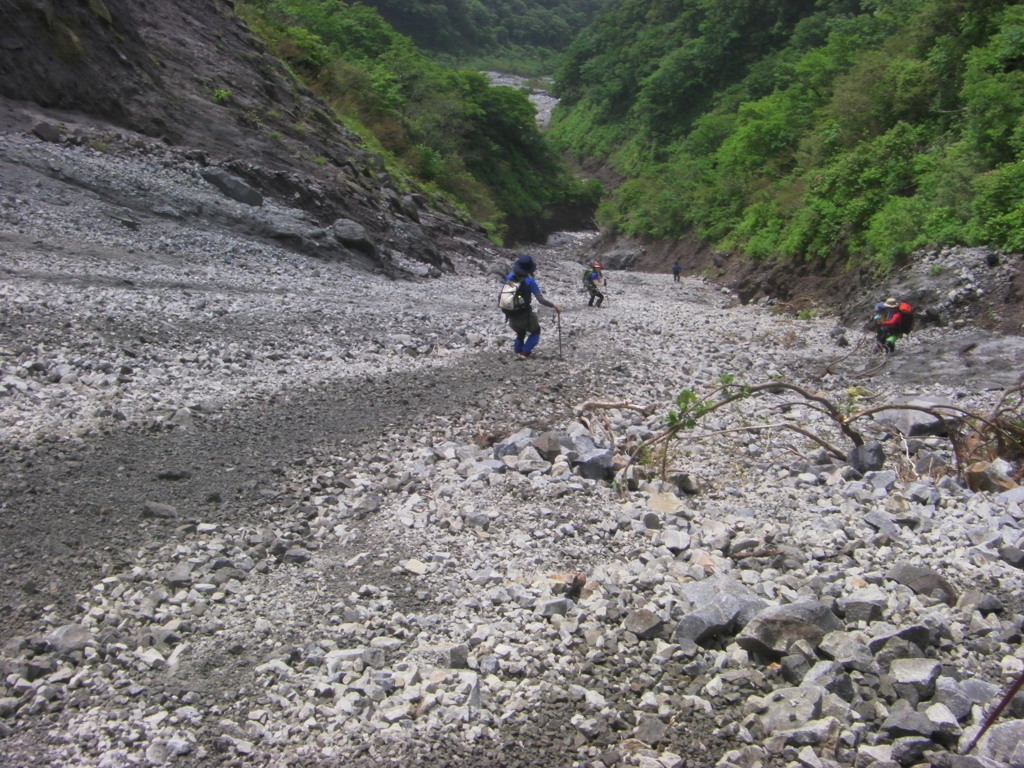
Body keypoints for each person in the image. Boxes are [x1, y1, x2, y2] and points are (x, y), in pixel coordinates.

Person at [503, 253, 562, 358]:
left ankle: (518, 351)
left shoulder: (509, 277)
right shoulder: (530, 281)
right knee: (535, 331)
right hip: (525, 314)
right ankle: (525, 352)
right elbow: (541, 300)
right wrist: (554, 306)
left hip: (510, 313)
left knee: (520, 333)